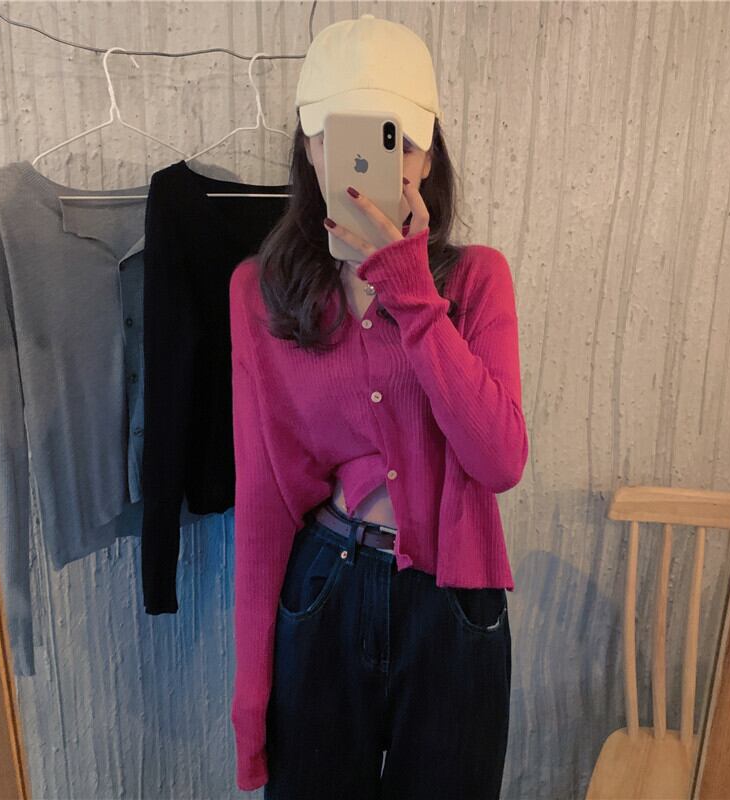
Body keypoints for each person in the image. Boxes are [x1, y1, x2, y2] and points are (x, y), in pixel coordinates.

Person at [229, 12, 527, 800]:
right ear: (308, 145)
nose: (366, 161)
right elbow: (263, 501)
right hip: (325, 585)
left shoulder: (476, 280)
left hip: (455, 602)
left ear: (425, 156)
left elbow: (499, 460)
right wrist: (251, 694)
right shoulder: (261, 294)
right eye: (338, 134)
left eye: (396, 139)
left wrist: (411, 291)